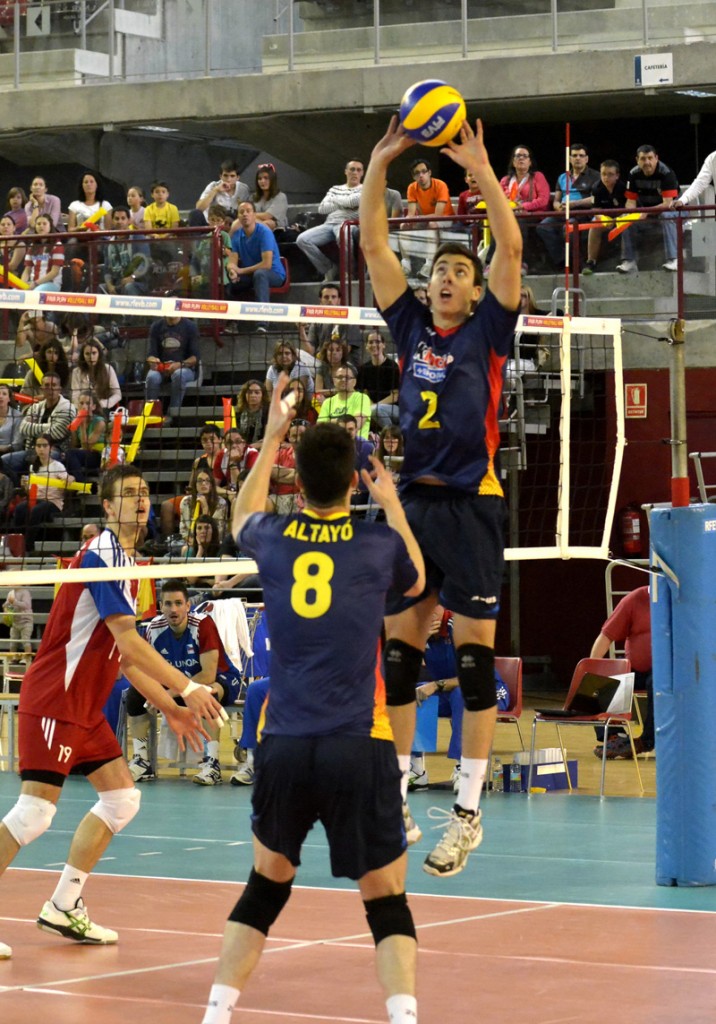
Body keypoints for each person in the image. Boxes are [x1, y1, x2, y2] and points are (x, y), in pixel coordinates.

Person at [199, 376, 424, 1024]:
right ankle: (404, 1017)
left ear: (297, 483)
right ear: (355, 481)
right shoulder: (377, 544)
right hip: (359, 742)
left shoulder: (272, 538)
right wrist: (393, 504)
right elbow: (418, 576)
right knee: (386, 901)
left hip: (287, 742)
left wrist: (272, 433)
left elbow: (241, 516)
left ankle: (217, 1013)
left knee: (265, 888)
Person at [359, 115, 522, 877]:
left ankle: (467, 814)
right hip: (416, 509)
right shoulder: (410, 330)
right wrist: (383, 163)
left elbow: (511, 248)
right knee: (395, 658)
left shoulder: (487, 331)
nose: (447, 278)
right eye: (441, 272)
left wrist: (482, 170)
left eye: (460, 270)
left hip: (472, 507)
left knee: (476, 668)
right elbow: (373, 246)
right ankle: (394, 802)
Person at [0, 463, 225, 961]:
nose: (140, 501)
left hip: (85, 709)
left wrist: (171, 707)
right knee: (35, 811)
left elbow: (123, 655)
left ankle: (64, 903)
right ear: (107, 507)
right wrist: (188, 687)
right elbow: (129, 640)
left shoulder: (130, 564)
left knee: (123, 800)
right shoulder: (103, 554)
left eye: (144, 493)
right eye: (127, 494)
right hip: (55, 699)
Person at [127, 579, 241, 786]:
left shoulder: (203, 624)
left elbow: (207, 675)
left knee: (207, 693)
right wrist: (155, 692)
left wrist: (167, 695)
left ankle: (211, 763)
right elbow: (145, 672)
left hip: (220, 679)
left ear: (188, 606)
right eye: (168, 604)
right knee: (135, 694)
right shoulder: (153, 628)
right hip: (178, 685)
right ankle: (142, 761)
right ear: (161, 606)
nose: (173, 609)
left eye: (179, 603)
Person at [408, 606, 510, 791]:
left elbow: (474, 677)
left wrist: (436, 685)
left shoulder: (462, 626)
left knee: (462, 694)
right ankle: (416, 770)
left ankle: (464, 767)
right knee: (411, 693)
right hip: (450, 692)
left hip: (487, 690)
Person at [589, 584, 653, 758]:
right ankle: (613, 737)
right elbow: (606, 636)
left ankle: (647, 740)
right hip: (636, 669)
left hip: (666, 672)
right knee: (600, 680)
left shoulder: (681, 602)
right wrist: (592, 669)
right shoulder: (634, 599)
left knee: (655, 682)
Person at [296, 159, 363, 281]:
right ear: (346, 171)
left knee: (343, 235)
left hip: (348, 222)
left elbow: (352, 201)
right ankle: (329, 268)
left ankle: (350, 272)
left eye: (358, 170)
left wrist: (335, 199)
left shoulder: (364, 188)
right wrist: (345, 203)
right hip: (329, 223)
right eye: (352, 169)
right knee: (302, 239)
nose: (355, 173)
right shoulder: (335, 188)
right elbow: (322, 209)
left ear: (362, 173)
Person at [2, 372, 75, 484]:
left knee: (40, 460)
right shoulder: (36, 407)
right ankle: (19, 489)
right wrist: (49, 426)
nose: (50, 388)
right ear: (41, 389)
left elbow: (56, 433)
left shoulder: (68, 408)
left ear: (59, 389)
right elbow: (23, 428)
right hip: (31, 449)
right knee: (3, 461)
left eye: (53, 385)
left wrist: (33, 427)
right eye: (46, 385)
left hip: (56, 451)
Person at [536, 142, 600, 269]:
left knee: (569, 227)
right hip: (562, 212)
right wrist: (557, 206)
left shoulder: (595, 176)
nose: (578, 158)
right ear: (569, 159)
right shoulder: (562, 177)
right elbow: (556, 199)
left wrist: (574, 204)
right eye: (574, 155)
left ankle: (578, 264)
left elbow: (595, 199)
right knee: (543, 226)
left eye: (581, 156)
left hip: (581, 213)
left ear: (586, 159)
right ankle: (562, 261)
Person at [617, 144, 679, 273]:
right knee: (625, 218)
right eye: (643, 159)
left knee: (666, 216)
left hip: (676, 212)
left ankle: (674, 260)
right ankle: (629, 261)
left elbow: (668, 205)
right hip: (649, 214)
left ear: (656, 158)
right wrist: (632, 215)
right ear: (637, 160)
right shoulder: (633, 174)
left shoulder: (667, 173)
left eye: (650, 158)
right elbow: (630, 202)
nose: (647, 162)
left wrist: (646, 211)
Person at [227, 200, 286, 333]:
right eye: (241, 212)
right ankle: (231, 323)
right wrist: (232, 271)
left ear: (254, 215)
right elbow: (232, 260)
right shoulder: (236, 236)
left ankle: (262, 323)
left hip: (274, 273)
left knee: (260, 274)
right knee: (230, 282)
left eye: (248, 211)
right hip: (251, 274)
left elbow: (266, 264)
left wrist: (240, 270)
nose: (245, 214)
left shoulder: (265, 232)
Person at [11, 434, 70, 553]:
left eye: (44, 445)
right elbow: (31, 490)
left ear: (50, 447)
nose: (41, 449)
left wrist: (70, 479)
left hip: (53, 502)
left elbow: (68, 481)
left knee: (37, 510)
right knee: (20, 509)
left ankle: (28, 547)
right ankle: (18, 542)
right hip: (36, 499)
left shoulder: (58, 466)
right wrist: (26, 486)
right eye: (39, 446)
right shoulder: (33, 467)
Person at [399, 156, 455, 279]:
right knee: (403, 225)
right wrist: (408, 221)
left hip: (446, 219)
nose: (421, 175)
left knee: (432, 224)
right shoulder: (412, 188)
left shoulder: (440, 185)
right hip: (424, 219)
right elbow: (411, 213)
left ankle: (429, 264)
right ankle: (406, 264)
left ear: (429, 173)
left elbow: (438, 215)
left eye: (424, 172)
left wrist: (419, 218)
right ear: (413, 177)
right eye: (417, 173)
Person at [497, 144, 550, 271]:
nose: (521, 158)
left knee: (518, 223)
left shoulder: (537, 176)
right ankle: (492, 263)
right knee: (498, 224)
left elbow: (543, 200)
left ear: (530, 162)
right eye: (518, 156)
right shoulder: (505, 180)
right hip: (510, 216)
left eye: (525, 156)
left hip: (533, 215)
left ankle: (521, 262)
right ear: (513, 161)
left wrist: (523, 206)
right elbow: (498, 200)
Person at [145, 315, 200, 423]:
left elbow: (195, 358)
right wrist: (154, 362)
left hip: (186, 368)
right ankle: (151, 415)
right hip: (162, 368)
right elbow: (151, 355)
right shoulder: (156, 326)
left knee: (179, 375)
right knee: (151, 377)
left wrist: (179, 365)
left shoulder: (190, 327)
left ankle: (172, 414)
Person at [297, 281, 363, 363]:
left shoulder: (350, 320)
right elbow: (310, 351)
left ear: (339, 300)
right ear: (320, 300)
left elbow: (344, 351)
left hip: (344, 366)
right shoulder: (316, 322)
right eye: (326, 297)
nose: (330, 300)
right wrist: (301, 330)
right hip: (321, 364)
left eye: (333, 297)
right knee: (298, 353)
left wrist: (321, 355)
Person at [582, 160, 628, 274]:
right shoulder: (596, 188)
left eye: (610, 174)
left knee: (627, 224)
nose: (606, 177)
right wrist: (604, 219)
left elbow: (630, 208)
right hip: (606, 218)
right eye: (603, 174)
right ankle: (591, 261)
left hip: (623, 217)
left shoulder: (624, 188)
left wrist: (618, 219)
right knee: (594, 224)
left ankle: (626, 260)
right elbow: (596, 211)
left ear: (617, 176)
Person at [356, 328, 400, 428]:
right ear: (366, 346)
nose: (374, 345)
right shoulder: (364, 368)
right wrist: (371, 405)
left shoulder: (392, 366)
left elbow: (395, 396)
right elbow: (364, 393)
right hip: (373, 407)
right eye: (371, 342)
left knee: (375, 411)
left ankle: (392, 436)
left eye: (378, 342)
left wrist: (375, 406)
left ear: (384, 345)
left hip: (394, 409)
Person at [102, 206, 151, 295]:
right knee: (100, 288)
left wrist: (132, 277)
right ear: (112, 221)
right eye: (116, 219)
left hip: (138, 282)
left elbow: (145, 262)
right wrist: (109, 285)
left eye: (123, 218)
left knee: (129, 286)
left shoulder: (138, 238)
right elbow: (106, 269)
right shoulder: (108, 243)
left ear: (129, 221)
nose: (120, 221)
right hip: (117, 283)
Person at [317, 365, 372, 439]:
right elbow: (320, 428)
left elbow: (356, 425)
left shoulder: (362, 398)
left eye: (347, 377)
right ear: (334, 381)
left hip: (357, 446)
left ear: (354, 382)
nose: (343, 380)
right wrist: (344, 422)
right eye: (339, 377)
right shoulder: (327, 402)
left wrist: (331, 422)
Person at [190, 159, 250, 226]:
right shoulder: (213, 186)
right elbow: (199, 208)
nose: (228, 179)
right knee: (194, 214)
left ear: (237, 177)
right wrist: (215, 190)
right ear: (220, 176)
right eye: (225, 175)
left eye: (232, 176)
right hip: (211, 224)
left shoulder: (243, 189)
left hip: (233, 225)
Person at [64, 390, 106, 482]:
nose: (84, 406)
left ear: (94, 406)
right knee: (65, 457)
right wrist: (73, 431)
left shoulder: (99, 422)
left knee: (71, 454)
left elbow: (87, 446)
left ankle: (81, 483)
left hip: (99, 456)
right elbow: (75, 445)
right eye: (81, 403)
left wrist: (82, 426)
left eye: (87, 403)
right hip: (85, 454)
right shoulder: (76, 420)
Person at [178, 467, 229, 543]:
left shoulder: (221, 503)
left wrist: (205, 508)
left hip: (214, 544)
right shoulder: (186, 502)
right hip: (191, 543)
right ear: (195, 484)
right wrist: (196, 545)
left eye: (207, 480)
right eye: (200, 481)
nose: (204, 483)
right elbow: (184, 532)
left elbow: (217, 533)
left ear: (212, 485)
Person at [70, 339, 122, 411]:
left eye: (94, 353)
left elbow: (117, 395)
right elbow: (75, 396)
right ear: (83, 355)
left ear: (99, 354)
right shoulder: (76, 372)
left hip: (103, 408)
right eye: (87, 354)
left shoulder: (108, 369)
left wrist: (102, 404)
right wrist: (83, 406)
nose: (91, 357)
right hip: (82, 410)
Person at [21, 214, 64, 293]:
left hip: (52, 284)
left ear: (50, 226)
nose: (41, 226)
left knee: (34, 294)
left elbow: (55, 272)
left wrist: (36, 283)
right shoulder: (32, 246)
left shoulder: (57, 245)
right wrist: (22, 285)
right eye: (38, 224)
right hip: (32, 283)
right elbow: (27, 270)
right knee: (14, 293)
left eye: (44, 224)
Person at [248, 162, 288, 234]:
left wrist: (249, 215)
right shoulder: (253, 197)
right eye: (260, 179)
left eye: (266, 178)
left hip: (277, 230)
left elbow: (268, 215)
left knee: (268, 223)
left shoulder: (281, 197)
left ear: (272, 180)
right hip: (253, 225)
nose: (262, 181)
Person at [2, 586, 34, 663]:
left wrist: (14, 602)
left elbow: (27, 605)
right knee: (13, 640)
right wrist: (5, 606)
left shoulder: (25, 592)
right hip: (15, 621)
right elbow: (8, 604)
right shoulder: (11, 593)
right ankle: (13, 657)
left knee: (25, 639)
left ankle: (27, 658)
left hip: (26, 621)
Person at [234, 380, 269, 445]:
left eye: (257, 392)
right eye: (249, 392)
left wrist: (249, 448)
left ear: (262, 395)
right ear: (244, 395)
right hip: (244, 447)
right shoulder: (239, 411)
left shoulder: (268, 411)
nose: (253, 395)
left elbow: (268, 439)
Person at [0, 213, 26, 277]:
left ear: (14, 228)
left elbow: (12, 267)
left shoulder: (20, 244)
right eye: (3, 225)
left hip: (15, 281)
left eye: (8, 224)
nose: (6, 226)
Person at [0, 383, 22, 458]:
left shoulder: (17, 416)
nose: (0, 396)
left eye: (4, 394)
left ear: (9, 398)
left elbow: (17, 443)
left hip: (9, 453)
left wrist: (4, 448)